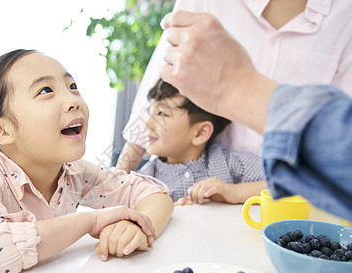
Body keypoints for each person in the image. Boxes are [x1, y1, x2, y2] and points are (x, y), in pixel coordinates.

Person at [0, 49, 174, 273]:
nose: (73, 100)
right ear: (1, 130)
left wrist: (140, 228)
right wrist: (90, 221)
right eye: (45, 90)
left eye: (72, 86)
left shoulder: (74, 171)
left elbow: (153, 193)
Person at [159, 10, 352, 221]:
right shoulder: (151, 170)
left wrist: (239, 88)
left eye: (161, 114)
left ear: (203, 131)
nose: (152, 125)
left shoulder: (230, 162)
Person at [117, 0, 352, 173]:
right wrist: (118, 178)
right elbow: (159, 89)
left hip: (289, 199)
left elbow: (340, 135)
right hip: (205, 191)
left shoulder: (345, 17)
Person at [138, 78, 266, 204]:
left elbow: (283, 185)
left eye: (161, 114)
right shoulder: (145, 181)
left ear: (201, 133)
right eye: (150, 112)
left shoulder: (230, 163)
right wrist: (166, 214)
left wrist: (234, 192)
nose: (147, 124)